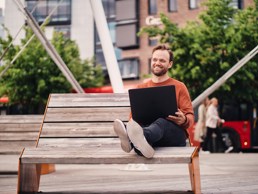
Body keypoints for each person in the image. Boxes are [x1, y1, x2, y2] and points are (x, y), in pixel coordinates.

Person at [113, 44, 194, 158]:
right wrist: (133, 122)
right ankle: (141, 144)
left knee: (161, 122)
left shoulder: (179, 86)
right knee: (141, 136)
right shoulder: (141, 87)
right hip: (153, 136)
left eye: (162, 60)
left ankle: (134, 139)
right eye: (155, 59)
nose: (157, 63)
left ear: (170, 64)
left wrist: (184, 119)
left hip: (173, 135)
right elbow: (133, 118)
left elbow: (190, 117)